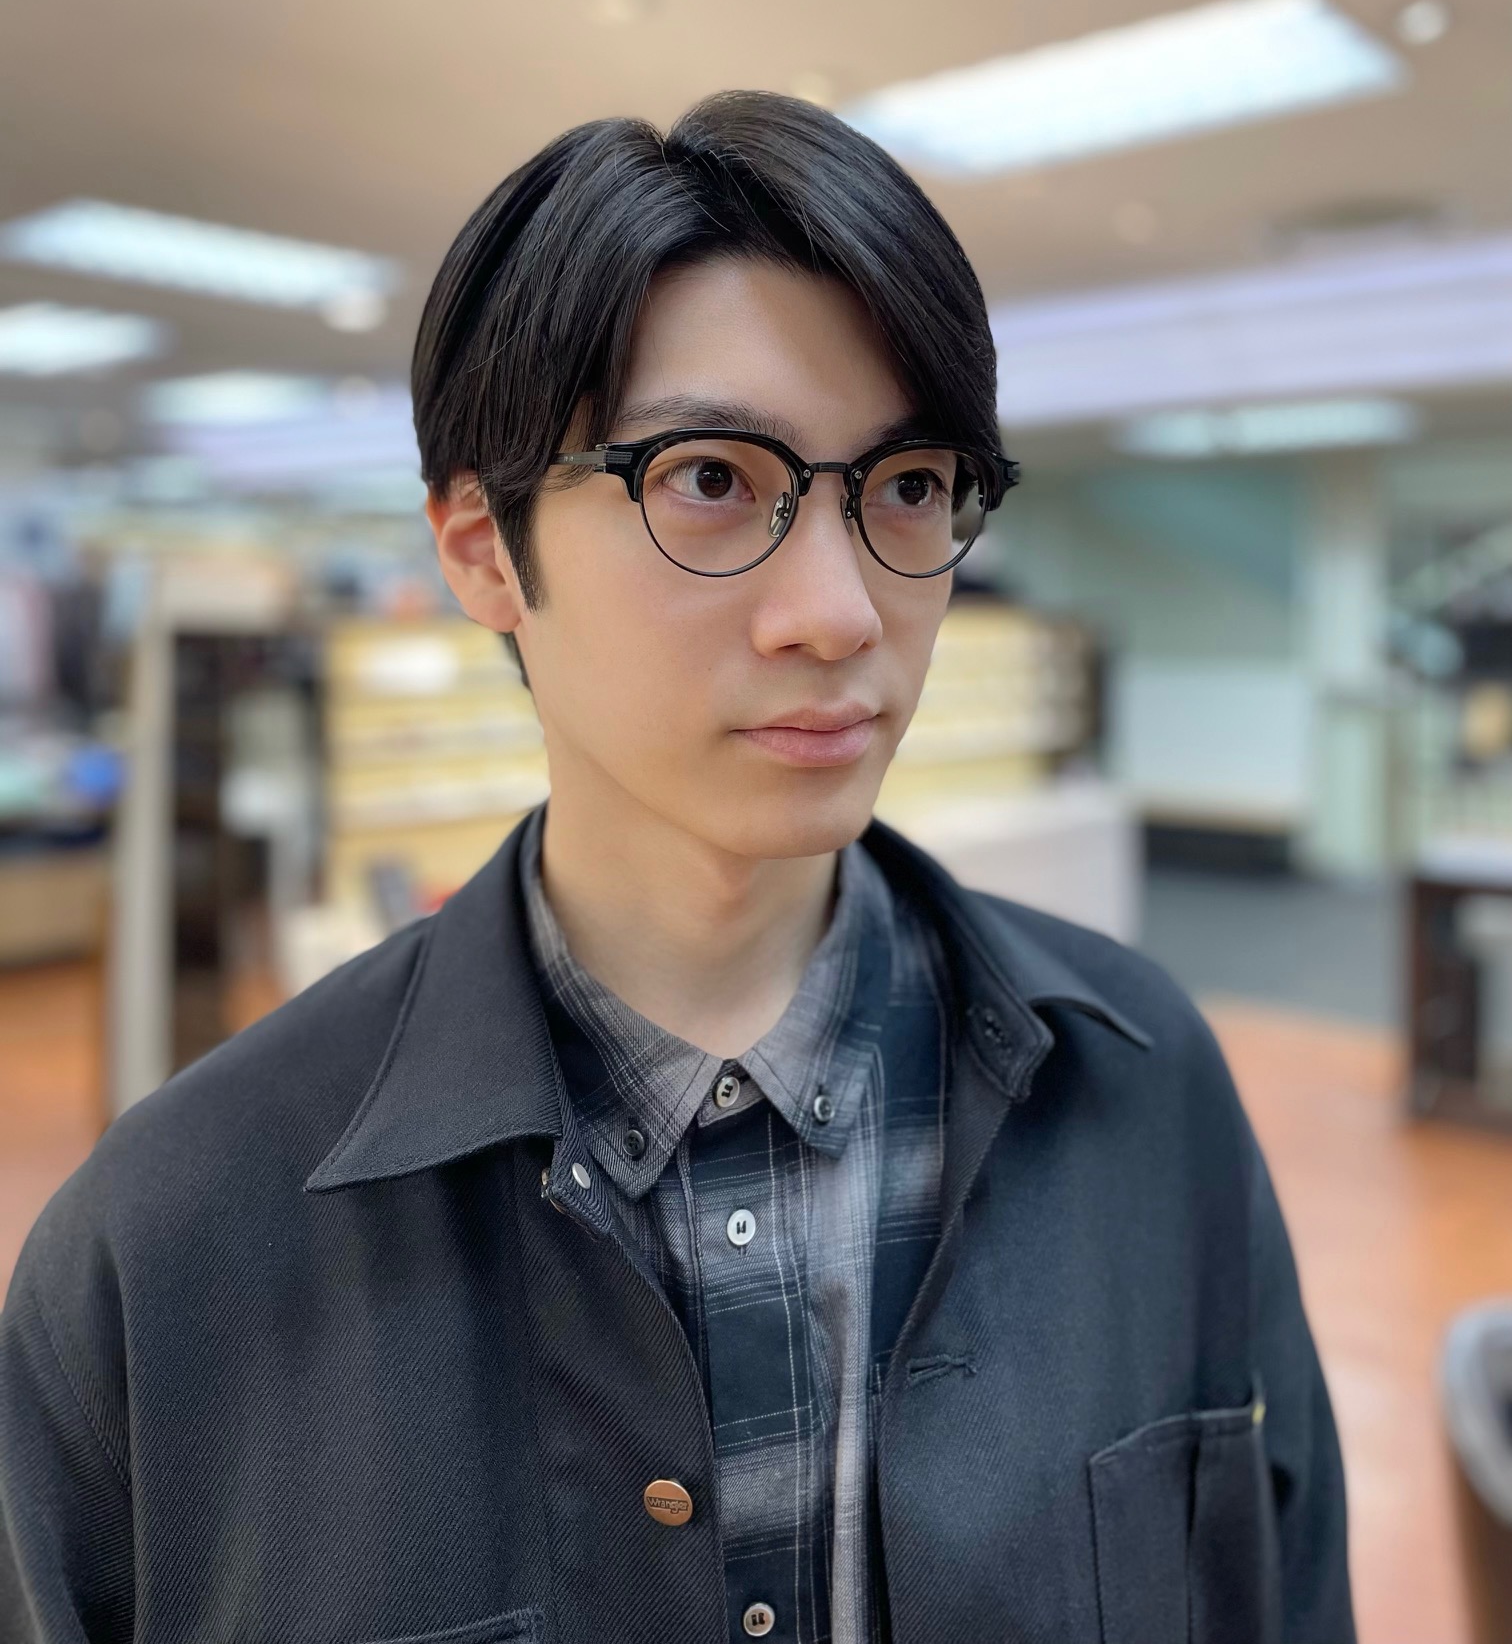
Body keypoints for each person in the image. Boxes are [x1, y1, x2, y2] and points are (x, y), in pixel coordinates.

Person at [0, 92, 1354, 1644]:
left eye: (910, 485)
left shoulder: (1146, 1091)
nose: (839, 612)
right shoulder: (169, 1248)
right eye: (710, 478)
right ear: (482, 549)